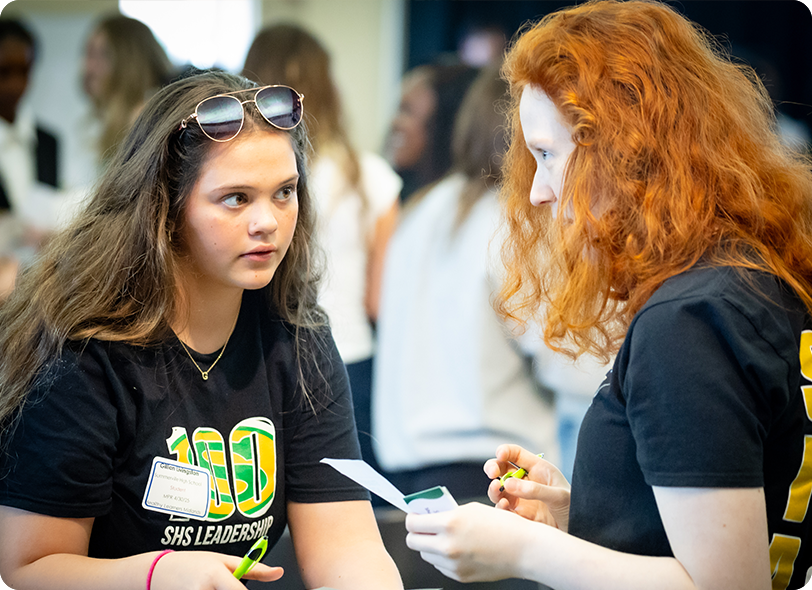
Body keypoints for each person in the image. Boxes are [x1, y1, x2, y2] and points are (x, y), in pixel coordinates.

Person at [404, 2, 812, 589]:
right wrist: (587, 511)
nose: (539, 191)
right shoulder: (758, 277)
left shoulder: (688, 320)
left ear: (622, 152)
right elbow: (745, 513)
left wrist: (523, 552)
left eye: (547, 154)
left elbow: (724, 584)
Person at [0, 69, 403, 590]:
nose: (268, 221)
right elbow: (23, 571)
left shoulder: (297, 336)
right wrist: (153, 574)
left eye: (284, 192)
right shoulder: (84, 350)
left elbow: (346, 544)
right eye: (236, 198)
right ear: (165, 210)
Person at [372, 68, 560, 502]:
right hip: (495, 472)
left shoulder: (423, 207)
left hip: (408, 474)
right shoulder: (513, 218)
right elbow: (558, 349)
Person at [242, 25, 402, 473]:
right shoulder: (373, 178)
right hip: (351, 359)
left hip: (264, 351)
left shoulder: (247, 173)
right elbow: (378, 298)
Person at [0, 19, 60, 299]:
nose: (15, 85)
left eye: (24, 72)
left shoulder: (49, 142)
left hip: (38, 291)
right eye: (4, 72)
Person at [82, 13, 174, 170]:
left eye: (102, 55)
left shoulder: (147, 121)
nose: (88, 67)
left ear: (130, 60)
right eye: (89, 54)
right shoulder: (114, 121)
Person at [384, 62, 479, 203]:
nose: (395, 122)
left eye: (407, 110)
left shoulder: (455, 203)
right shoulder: (393, 192)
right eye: (398, 109)